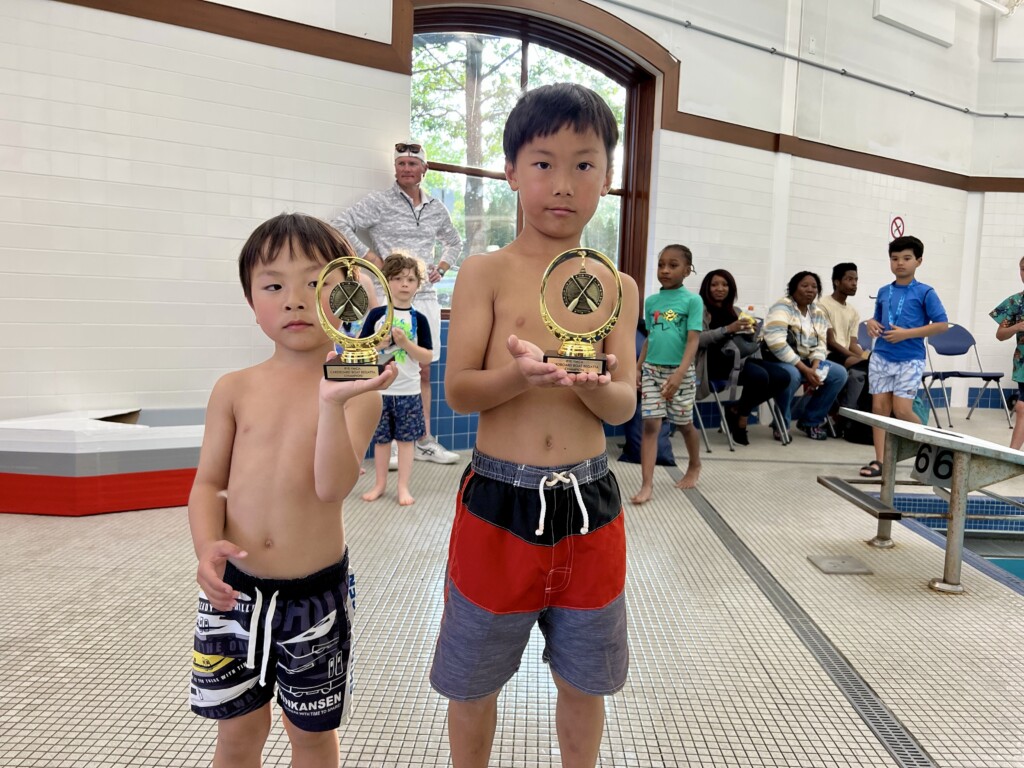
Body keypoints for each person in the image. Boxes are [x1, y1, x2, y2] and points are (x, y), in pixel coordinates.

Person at [430, 83, 639, 768]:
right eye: (543, 162)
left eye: (585, 164)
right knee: (473, 682)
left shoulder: (618, 285)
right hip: (499, 502)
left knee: (585, 680)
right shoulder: (485, 272)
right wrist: (521, 376)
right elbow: (459, 392)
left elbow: (624, 407)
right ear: (510, 172)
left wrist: (588, 385)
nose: (563, 183)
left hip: (590, 502)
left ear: (607, 180)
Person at [188, 213, 396, 766]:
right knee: (236, 733)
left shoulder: (359, 391)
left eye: (315, 282)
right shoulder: (234, 389)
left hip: (315, 600)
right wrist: (206, 547)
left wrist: (331, 402)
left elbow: (332, 488)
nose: (295, 299)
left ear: (348, 294)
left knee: (309, 735)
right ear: (251, 301)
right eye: (274, 285)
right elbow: (208, 484)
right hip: (233, 594)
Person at [331, 140, 463, 466]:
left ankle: (422, 440)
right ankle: (386, 442)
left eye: (412, 163)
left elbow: (454, 242)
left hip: (425, 300)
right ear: (395, 168)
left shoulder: (435, 207)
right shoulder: (380, 202)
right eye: (401, 163)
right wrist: (369, 256)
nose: (406, 168)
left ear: (424, 169)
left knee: (423, 370)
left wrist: (441, 268)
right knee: (385, 366)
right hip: (387, 298)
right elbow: (339, 224)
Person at [860, 236, 948, 477]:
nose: (900, 263)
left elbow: (941, 324)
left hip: (910, 358)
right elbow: (877, 319)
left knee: (902, 410)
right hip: (882, 356)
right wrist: (871, 324)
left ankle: (933, 451)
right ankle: (881, 461)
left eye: (906, 258)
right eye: (895, 258)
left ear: (918, 261)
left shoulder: (925, 292)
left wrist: (907, 334)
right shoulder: (884, 291)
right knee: (879, 409)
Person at [359, 252, 434, 505]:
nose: (405, 284)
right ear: (386, 282)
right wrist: (378, 343)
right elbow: (361, 348)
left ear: (417, 285)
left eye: (411, 279)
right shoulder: (376, 316)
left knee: (405, 441)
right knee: (381, 442)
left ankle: (403, 487)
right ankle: (380, 484)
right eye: (398, 278)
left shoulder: (419, 319)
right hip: (380, 392)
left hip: (408, 392)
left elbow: (426, 355)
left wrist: (405, 343)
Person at [632, 244, 703, 501]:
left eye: (673, 265)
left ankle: (694, 463)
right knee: (650, 424)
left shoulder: (692, 301)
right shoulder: (652, 302)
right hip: (652, 370)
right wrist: (638, 367)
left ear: (687, 270)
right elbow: (651, 337)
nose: (665, 270)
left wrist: (679, 375)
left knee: (684, 424)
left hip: (680, 372)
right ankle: (647, 485)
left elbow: (693, 340)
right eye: (661, 264)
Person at [696, 269, 790, 445]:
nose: (720, 288)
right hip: (712, 362)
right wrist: (728, 329)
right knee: (759, 376)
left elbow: (748, 342)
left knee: (783, 377)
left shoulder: (736, 310)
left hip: (738, 359)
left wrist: (752, 330)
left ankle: (737, 408)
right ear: (706, 288)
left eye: (725, 285)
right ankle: (741, 421)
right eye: (714, 284)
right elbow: (698, 340)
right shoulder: (700, 309)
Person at [761, 271, 849, 440]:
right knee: (792, 375)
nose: (810, 290)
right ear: (794, 288)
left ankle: (810, 421)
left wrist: (815, 367)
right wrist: (805, 370)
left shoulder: (817, 313)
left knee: (838, 374)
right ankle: (781, 424)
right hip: (776, 360)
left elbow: (821, 343)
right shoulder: (782, 307)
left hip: (807, 361)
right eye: (804, 286)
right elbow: (777, 343)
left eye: (814, 287)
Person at [819, 262, 870, 432]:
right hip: (827, 354)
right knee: (861, 368)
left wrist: (866, 356)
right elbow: (831, 342)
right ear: (837, 282)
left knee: (871, 367)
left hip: (845, 354)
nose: (854, 283)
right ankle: (846, 417)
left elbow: (852, 343)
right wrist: (856, 358)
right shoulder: (823, 305)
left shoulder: (853, 311)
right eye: (849, 279)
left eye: (856, 279)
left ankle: (855, 418)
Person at [991, 255, 1024, 451]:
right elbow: (1000, 335)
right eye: (1023, 269)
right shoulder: (1014, 302)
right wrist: (1017, 327)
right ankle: (1012, 454)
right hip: (1023, 366)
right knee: (1022, 407)